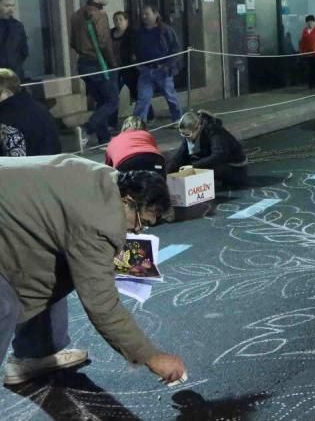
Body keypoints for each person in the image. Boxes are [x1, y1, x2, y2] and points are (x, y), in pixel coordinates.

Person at [0, 156, 186, 385]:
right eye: (140, 221)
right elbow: (102, 305)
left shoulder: (106, 178)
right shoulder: (98, 223)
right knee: (3, 306)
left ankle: (33, 355)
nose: (138, 231)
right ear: (128, 200)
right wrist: (151, 356)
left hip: (9, 213)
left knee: (59, 271)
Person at [70, 0, 119, 145]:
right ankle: (87, 128)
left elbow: (73, 42)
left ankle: (104, 139)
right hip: (99, 64)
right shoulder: (99, 14)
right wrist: (113, 64)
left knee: (101, 101)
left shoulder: (76, 15)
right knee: (112, 101)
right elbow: (104, 42)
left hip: (83, 64)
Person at [167, 110, 248, 188]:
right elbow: (180, 156)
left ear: (198, 127)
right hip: (221, 162)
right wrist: (166, 173)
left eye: (187, 134)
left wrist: (192, 166)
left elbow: (218, 156)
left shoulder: (215, 132)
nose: (185, 137)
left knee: (196, 169)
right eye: (182, 134)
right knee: (184, 164)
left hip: (236, 169)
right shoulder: (189, 134)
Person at [133, 5, 182, 124]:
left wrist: (168, 65)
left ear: (156, 14)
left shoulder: (166, 30)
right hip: (145, 70)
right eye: (142, 14)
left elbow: (176, 49)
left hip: (163, 70)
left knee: (170, 97)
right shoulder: (139, 32)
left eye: (147, 14)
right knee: (143, 99)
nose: (144, 17)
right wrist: (136, 63)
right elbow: (135, 49)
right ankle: (138, 125)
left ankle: (178, 118)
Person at [0, 68, 61, 156]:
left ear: (7, 93)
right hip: (50, 165)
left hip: (29, 167)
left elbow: (14, 161)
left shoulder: (7, 119)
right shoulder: (37, 107)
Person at [0, 0, 28, 80]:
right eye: (7, 5)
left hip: (15, 75)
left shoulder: (18, 26)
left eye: (13, 5)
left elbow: (24, 51)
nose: (11, 9)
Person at [298, 14, 315, 89]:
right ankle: (310, 84)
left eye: (311, 22)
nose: (309, 23)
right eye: (308, 22)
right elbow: (302, 42)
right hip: (307, 53)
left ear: (314, 22)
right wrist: (302, 51)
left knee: (314, 68)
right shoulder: (305, 30)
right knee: (309, 69)